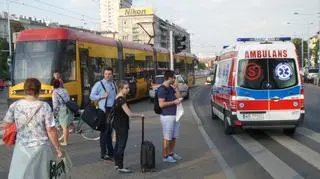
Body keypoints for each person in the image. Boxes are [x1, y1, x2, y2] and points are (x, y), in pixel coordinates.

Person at [3, 78, 63, 179]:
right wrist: (58, 149)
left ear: (25, 90)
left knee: (21, 176)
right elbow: (50, 130)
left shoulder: (15, 105)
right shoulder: (45, 106)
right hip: (41, 148)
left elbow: (6, 124)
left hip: (21, 148)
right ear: (39, 91)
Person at [113, 80, 144, 173]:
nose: (128, 89)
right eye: (126, 88)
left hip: (117, 124)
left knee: (118, 145)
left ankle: (117, 164)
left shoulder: (116, 97)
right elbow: (129, 114)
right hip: (122, 125)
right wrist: (140, 115)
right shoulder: (121, 100)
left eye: (128, 87)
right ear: (120, 89)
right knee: (121, 146)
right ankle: (121, 166)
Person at [90, 67, 117, 161]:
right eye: (106, 74)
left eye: (109, 74)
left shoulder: (114, 83)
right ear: (103, 74)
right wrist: (101, 96)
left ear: (112, 74)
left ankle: (111, 152)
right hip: (103, 111)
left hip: (112, 110)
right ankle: (103, 153)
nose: (108, 76)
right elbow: (91, 96)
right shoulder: (99, 84)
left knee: (110, 131)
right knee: (104, 132)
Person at [158, 70, 183, 163]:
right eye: (174, 78)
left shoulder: (171, 88)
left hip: (175, 115)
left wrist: (176, 88)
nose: (175, 79)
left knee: (173, 136)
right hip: (167, 116)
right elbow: (161, 104)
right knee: (167, 137)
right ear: (169, 78)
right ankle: (165, 156)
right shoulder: (162, 89)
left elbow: (179, 98)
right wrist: (173, 102)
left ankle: (171, 153)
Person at [52, 79, 73, 146]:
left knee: (64, 126)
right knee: (66, 122)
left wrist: (54, 111)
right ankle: (73, 128)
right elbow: (68, 98)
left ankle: (65, 142)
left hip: (62, 108)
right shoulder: (64, 90)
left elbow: (55, 104)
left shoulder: (54, 92)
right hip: (68, 107)